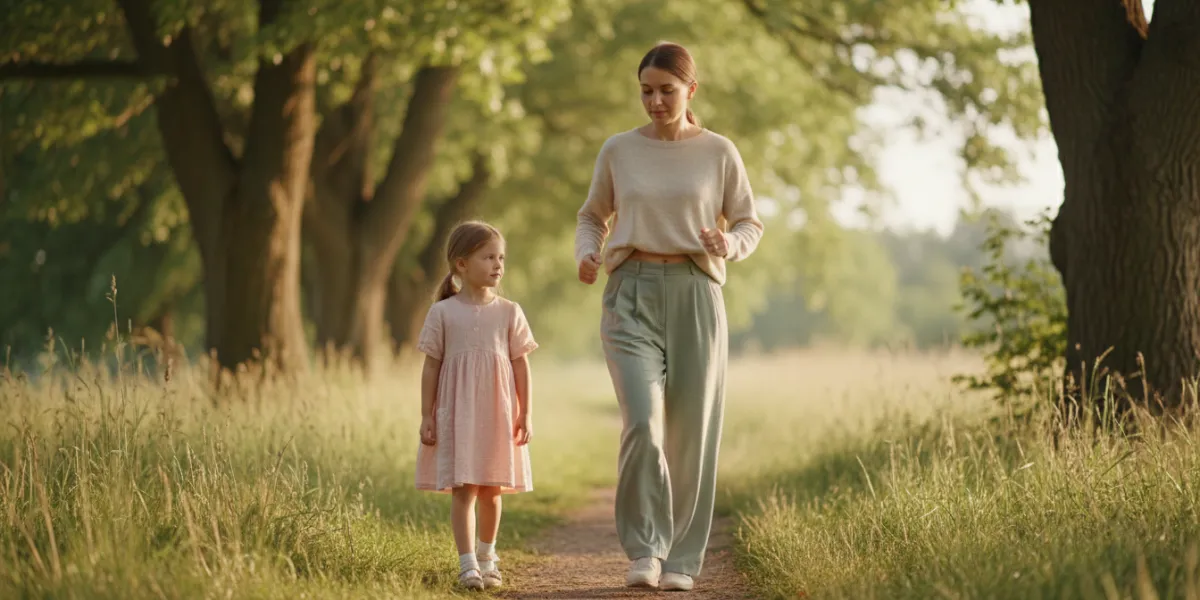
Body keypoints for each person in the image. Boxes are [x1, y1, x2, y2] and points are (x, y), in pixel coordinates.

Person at [574, 41, 764, 592]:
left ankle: (681, 558)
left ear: (691, 91)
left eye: (666, 91)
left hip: (695, 294)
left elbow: (751, 223)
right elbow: (592, 216)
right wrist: (587, 252)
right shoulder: (618, 149)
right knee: (641, 422)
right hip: (629, 292)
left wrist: (727, 243)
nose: (655, 101)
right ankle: (644, 548)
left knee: (692, 435)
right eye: (646, 92)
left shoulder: (719, 152)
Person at [414, 220, 538, 592]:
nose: (498, 264)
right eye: (488, 257)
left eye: (501, 257)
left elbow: (521, 364)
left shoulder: (509, 312)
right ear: (461, 264)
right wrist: (426, 414)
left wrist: (525, 411)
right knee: (463, 488)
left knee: (492, 488)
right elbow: (431, 365)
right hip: (458, 414)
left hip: (497, 413)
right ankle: (467, 563)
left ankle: (488, 557)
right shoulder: (443, 313)